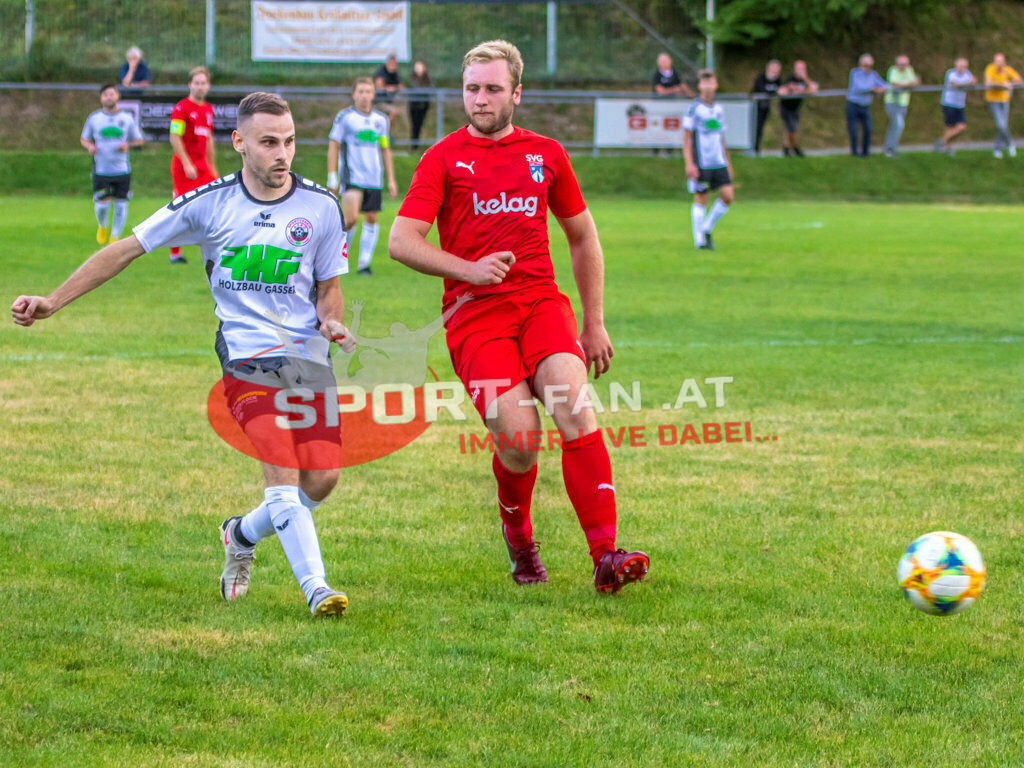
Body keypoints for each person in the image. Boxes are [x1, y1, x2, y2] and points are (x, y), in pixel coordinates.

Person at [12, 92, 356, 618]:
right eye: (268, 143)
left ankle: (240, 532)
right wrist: (52, 301)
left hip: (307, 355)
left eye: (288, 142)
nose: (282, 154)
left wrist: (331, 319)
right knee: (281, 473)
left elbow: (329, 285)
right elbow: (126, 248)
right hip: (246, 354)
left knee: (322, 480)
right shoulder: (211, 202)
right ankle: (318, 589)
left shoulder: (321, 206)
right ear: (239, 143)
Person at [388, 39, 649, 594]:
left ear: (516, 93)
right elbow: (401, 241)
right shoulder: (441, 158)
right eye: (471, 89)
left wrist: (594, 320)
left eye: (492, 89)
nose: (480, 100)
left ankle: (606, 555)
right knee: (520, 438)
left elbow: (582, 236)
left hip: (541, 305)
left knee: (574, 407)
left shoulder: (547, 154)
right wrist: (470, 269)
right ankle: (519, 537)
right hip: (474, 317)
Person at [327, 77, 399, 275]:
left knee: (371, 218)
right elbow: (334, 144)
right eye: (360, 91)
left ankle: (363, 265)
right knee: (349, 220)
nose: (364, 96)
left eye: (368, 91)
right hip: (353, 177)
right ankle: (337, 259)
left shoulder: (381, 120)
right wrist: (332, 175)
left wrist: (391, 179)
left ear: (373, 94)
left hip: (373, 178)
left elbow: (385, 148)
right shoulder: (345, 118)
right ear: (354, 94)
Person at [80, 83, 144, 245]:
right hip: (101, 169)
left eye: (112, 94)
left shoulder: (126, 118)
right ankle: (102, 226)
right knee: (102, 206)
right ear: (101, 98)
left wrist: (127, 145)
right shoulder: (94, 118)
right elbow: (84, 138)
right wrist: (90, 146)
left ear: (118, 96)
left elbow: (139, 140)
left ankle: (114, 237)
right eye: (106, 94)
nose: (109, 97)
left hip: (122, 169)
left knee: (121, 204)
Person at [168, 66, 219, 264]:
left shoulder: (208, 109)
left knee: (215, 204)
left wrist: (212, 167)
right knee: (182, 209)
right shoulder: (181, 108)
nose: (200, 86)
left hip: (202, 167)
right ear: (190, 85)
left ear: (208, 86)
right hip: (184, 167)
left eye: (203, 83)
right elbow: (175, 136)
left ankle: (213, 248)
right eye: (196, 82)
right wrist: (187, 163)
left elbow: (209, 140)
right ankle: (175, 254)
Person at [684, 70, 733, 250]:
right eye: (704, 83)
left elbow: (721, 137)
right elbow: (686, 137)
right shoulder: (694, 108)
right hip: (701, 161)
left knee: (728, 196)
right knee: (701, 197)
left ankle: (706, 227)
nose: (707, 86)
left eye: (710, 82)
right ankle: (700, 241)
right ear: (699, 86)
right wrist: (689, 163)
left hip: (718, 161)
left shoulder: (719, 109)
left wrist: (728, 162)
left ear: (716, 85)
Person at [845, 54, 887, 157]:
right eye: (866, 65)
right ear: (860, 64)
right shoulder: (854, 73)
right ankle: (854, 152)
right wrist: (873, 89)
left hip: (865, 106)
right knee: (853, 130)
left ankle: (865, 152)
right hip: (853, 105)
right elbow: (859, 87)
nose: (868, 68)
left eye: (870, 65)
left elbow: (884, 85)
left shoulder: (873, 75)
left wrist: (881, 89)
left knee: (868, 129)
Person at [984, 52, 1022, 158]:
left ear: (1004, 62)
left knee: (1002, 125)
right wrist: (1002, 85)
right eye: (997, 61)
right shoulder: (990, 69)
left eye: (1000, 61)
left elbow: (1019, 80)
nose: (998, 63)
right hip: (993, 100)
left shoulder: (1007, 70)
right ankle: (1010, 144)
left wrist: (1010, 83)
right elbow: (988, 84)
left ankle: (997, 149)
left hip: (1005, 100)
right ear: (994, 61)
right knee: (1001, 125)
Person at [936, 57, 976, 156]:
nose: (962, 68)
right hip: (948, 103)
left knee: (961, 127)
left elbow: (974, 81)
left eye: (964, 66)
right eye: (960, 66)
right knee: (949, 127)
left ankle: (942, 141)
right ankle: (949, 150)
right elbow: (954, 84)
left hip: (960, 104)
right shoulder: (951, 73)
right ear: (956, 66)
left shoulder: (967, 74)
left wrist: (972, 81)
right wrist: (968, 83)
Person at [778, 60, 818, 157]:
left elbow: (813, 89)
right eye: (798, 69)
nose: (800, 71)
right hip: (786, 107)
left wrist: (804, 81)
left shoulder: (805, 81)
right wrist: (800, 90)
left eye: (802, 69)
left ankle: (786, 148)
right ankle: (795, 148)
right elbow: (782, 91)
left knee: (791, 129)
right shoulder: (790, 79)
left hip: (795, 108)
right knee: (791, 128)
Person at [883, 55, 920, 157]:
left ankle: (888, 149)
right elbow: (895, 84)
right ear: (897, 64)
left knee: (894, 126)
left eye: (905, 64)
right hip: (892, 102)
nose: (903, 66)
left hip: (903, 103)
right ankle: (891, 149)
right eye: (901, 64)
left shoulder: (909, 70)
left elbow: (915, 83)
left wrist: (909, 84)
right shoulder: (892, 70)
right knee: (899, 125)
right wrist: (909, 84)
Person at [750, 60, 782, 155]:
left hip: (765, 107)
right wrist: (775, 92)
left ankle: (756, 147)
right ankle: (751, 147)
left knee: (760, 128)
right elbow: (762, 90)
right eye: (774, 69)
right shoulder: (761, 78)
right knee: (754, 127)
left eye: (777, 69)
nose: (776, 71)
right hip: (755, 107)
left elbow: (782, 89)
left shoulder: (777, 80)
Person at [374, 54, 405, 135]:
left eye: (394, 64)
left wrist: (393, 87)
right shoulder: (381, 71)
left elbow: (401, 87)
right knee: (393, 112)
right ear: (387, 63)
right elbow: (379, 86)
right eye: (391, 63)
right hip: (378, 102)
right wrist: (389, 88)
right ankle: (384, 133)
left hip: (389, 102)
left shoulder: (395, 74)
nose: (392, 65)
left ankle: (385, 134)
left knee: (394, 113)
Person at [408, 60, 433, 151]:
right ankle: (414, 146)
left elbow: (430, 87)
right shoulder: (412, 77)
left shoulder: (427, 77)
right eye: (416, 67)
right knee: (414, 125)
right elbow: (415, 88)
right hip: (414, 105)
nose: (418, 69)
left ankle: (417, 146)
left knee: (420, 125)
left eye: (420, 67)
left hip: (424, 105)